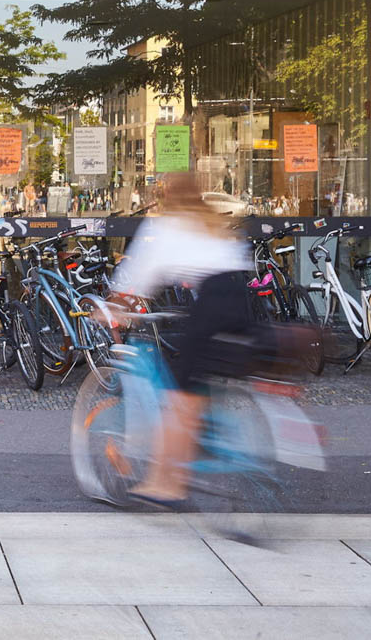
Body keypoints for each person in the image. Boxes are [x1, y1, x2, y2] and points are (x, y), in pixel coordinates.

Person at [109, 170, 253, 507]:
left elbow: (139, 279)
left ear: (165, 196)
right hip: (242, 301)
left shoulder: (163, 227)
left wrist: (113, 307)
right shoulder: (212, 222)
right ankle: (197, 443)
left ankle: (165, 486)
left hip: (213, 303)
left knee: (179, 400)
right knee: (200, 384)